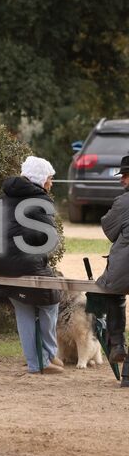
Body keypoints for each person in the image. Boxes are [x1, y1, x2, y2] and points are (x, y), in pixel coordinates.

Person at [0, 155, 63, 374]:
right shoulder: (40, 200)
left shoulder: (3, 198)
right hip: (23, 264)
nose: (51, 183)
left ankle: (37, 362)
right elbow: (46, 237)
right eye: (49, 178)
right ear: (41, 179)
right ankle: (47, 355)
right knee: (50, 300)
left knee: (23, 308)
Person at [94, 154, 129, 385]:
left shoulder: (123, 202)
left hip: (124, 270)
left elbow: (109, 229)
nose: (121, 179)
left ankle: (117, 341)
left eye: (125, 175)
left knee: (112, 291)